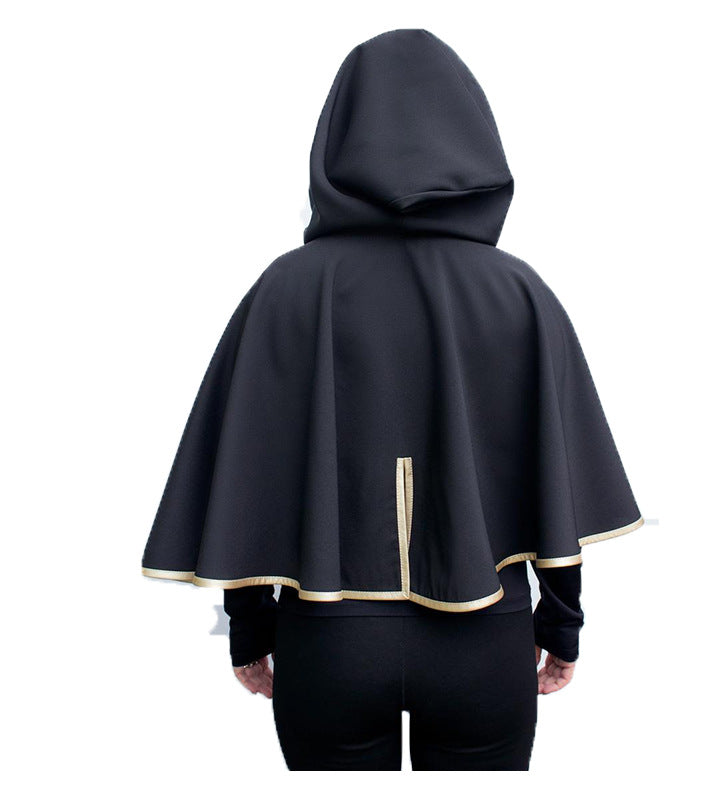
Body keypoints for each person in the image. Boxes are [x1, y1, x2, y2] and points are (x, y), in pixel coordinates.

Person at [142, 28, 642, 771]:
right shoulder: (519, 294)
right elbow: (554, 482)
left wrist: (249, 631)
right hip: (486, 643)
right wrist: (562, 625)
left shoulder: (283, 291)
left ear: (338, 136)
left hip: (326, 646)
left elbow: (251, 473)